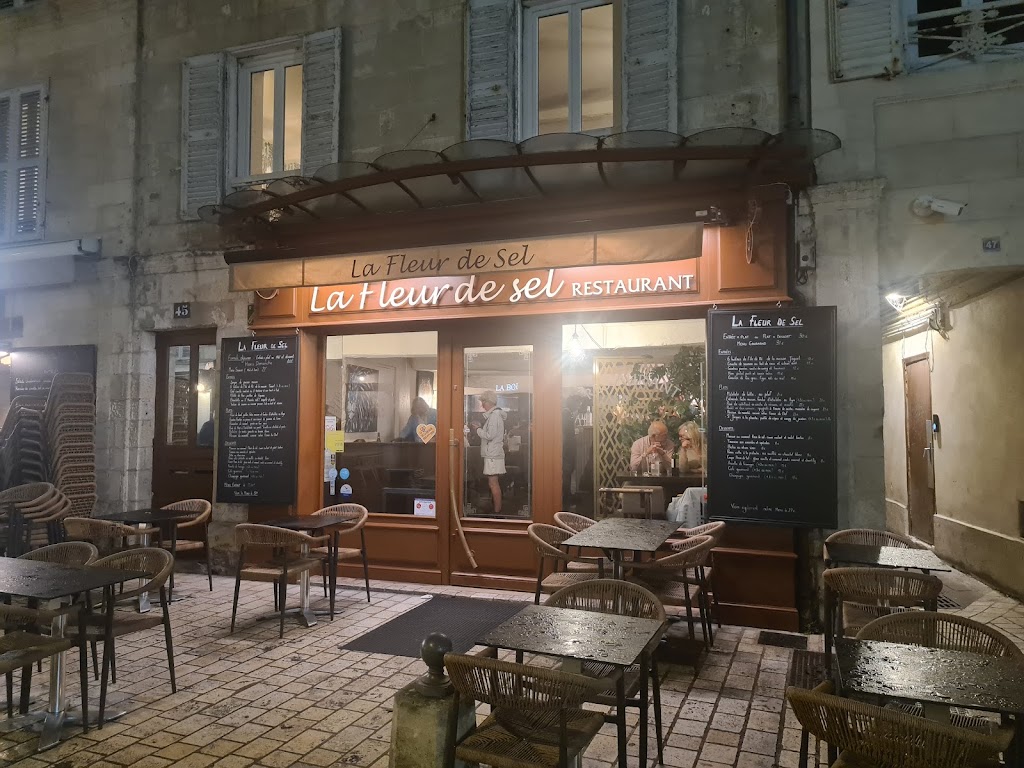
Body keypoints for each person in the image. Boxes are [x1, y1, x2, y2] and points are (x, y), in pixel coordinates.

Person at [472, 390, 506, 516]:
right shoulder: (496, 415)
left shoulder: (494, 416)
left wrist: (478, 430)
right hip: (494, 453)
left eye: (483, 402)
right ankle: (497, 509)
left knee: (493, 483)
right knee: (493, 483)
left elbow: (489, 435)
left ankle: (497, 512)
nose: (482, 405)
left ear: (489, 402)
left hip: (492, 454)